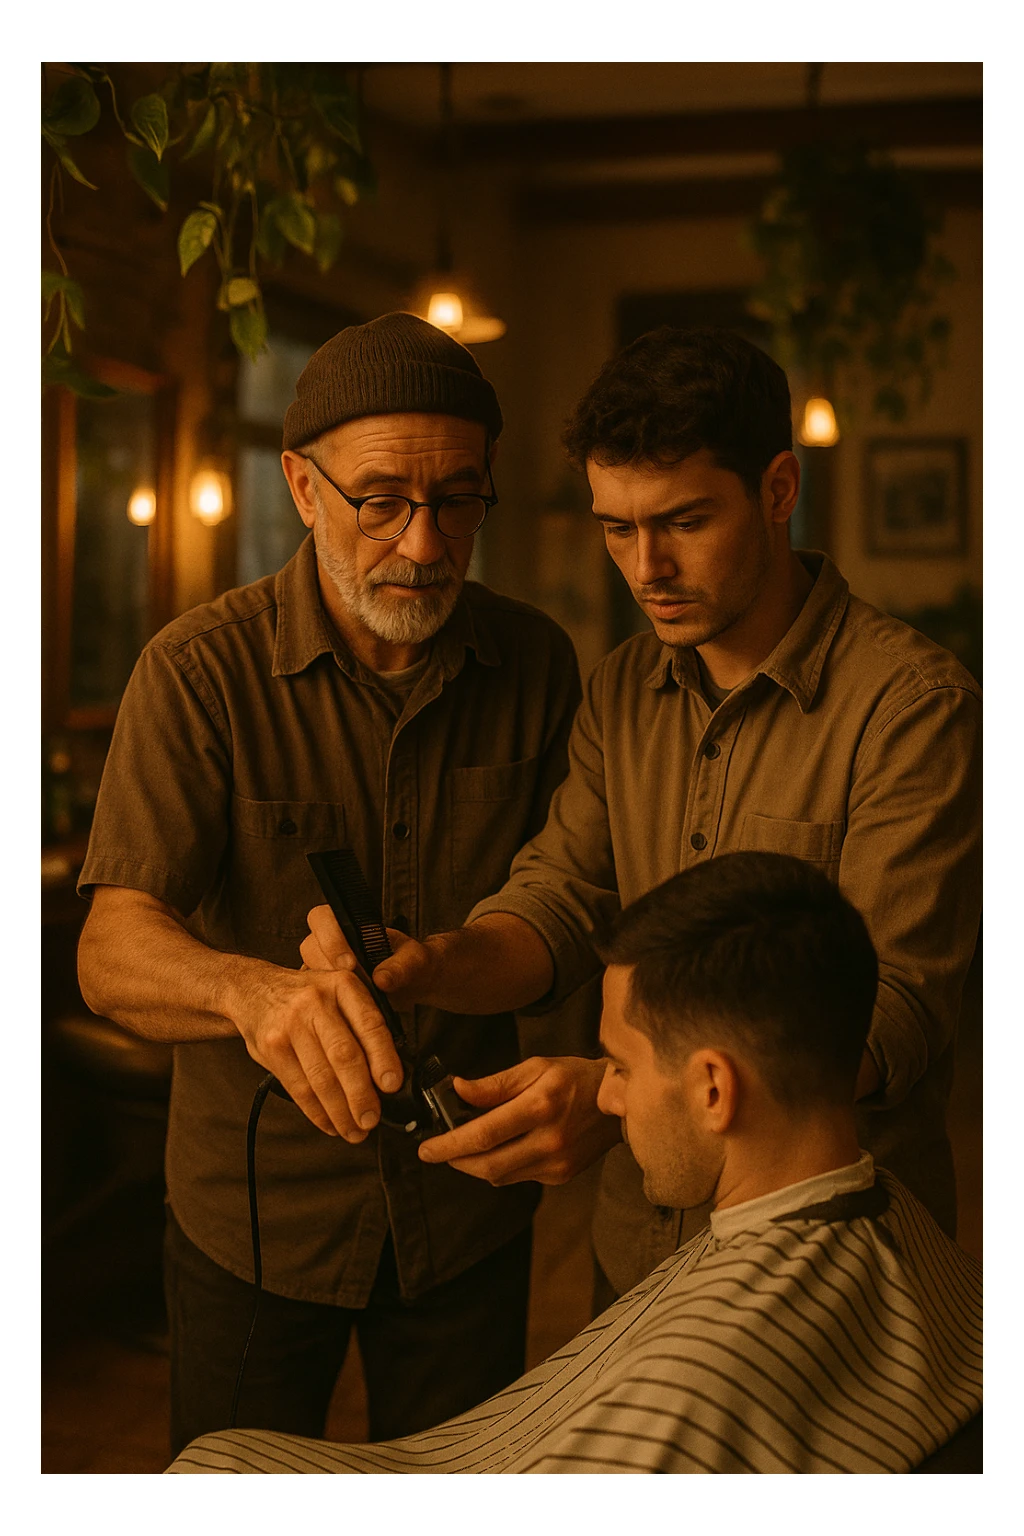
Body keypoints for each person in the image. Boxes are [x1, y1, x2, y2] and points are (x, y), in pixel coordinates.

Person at [300, 325, 982, 1305]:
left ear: (779, 490)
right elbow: (564, 895)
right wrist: (437, 962)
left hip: (828, 1270)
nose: (644, 565)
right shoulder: (623, 688)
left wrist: (624, 1097)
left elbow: (886, 1022)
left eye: (682, 521)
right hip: (643, 1253)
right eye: (615, 527)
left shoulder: (912, 706)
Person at [75, 313, 600, 1455]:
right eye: (380, 503)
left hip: (468, 1206)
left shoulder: (539, 663)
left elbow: (582, 900)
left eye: (458, 501)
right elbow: (110, 949)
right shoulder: (197, 670)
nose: (422, 545)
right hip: (256, 1220)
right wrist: (253, 996)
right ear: (301, 488)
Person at [167, 853, 982, 1474]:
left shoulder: (690, 1395)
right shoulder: (915, 1239)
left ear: (712, 1089)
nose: (609, 1099)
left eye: (620, 1066)